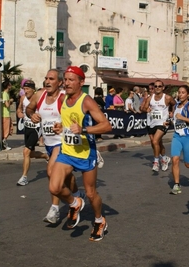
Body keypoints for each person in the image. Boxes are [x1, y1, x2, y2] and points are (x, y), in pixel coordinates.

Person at [49, 66, 112, 241]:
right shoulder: (63, 99)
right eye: (65, 79)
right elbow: (67, 124)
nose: (67, 83)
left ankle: (99, 220)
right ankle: (75, 202)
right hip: (67, 151)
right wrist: (60, 128)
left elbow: (107, 126)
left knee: (91, 193)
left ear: (81, 82)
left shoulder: (87, 101)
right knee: (54, 187)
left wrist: (84, 129)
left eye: (71, 80)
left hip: (85, 153)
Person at [26, 69, 85, 223]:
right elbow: (28, 108)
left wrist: (65, 125)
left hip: (62, 142)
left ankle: (55, 210)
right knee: (66, 178)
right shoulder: (39, 95)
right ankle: (78, 195)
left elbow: (78, 115)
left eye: (51, 79)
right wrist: (32, 114)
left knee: (51, 172)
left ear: (59, 83)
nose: (47, 81)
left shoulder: (64, 98)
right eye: (46, 78)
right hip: (49, 144)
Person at [16, 80, 49, 186]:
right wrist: (19, 113)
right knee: (31, 154)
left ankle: (24, 177)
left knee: (26, 152)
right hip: (27, 128)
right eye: (24, 89)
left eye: (27, 89)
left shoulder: (38, 98)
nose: (25, 91)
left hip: (36, 128)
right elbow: (19, 109)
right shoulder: (22, 98)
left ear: (33, 90)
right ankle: (46, 156)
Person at [141, 80, 176, 172]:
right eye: (155, 86)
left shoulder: (167, 98)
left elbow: (174, 104)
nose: (157, 88)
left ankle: (156, 162)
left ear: (163, 87)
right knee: (155, 143)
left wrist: (171, 112)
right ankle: (164, 159)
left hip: (163, 123)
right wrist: (146, 109)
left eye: (159, 86)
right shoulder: (150, 98)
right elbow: (143, 108)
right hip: (152, 122)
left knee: (156, 140)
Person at [1, 80, 14, 150]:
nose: (11, 86)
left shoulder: (6, 94)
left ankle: (4, 143)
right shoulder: (5, 94)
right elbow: (7, 104)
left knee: (9, 128)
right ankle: (4, 144)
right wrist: (10, 101)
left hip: (7, 114)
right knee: (6, 130)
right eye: (10, 85)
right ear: (8, 86)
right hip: (5, 114)